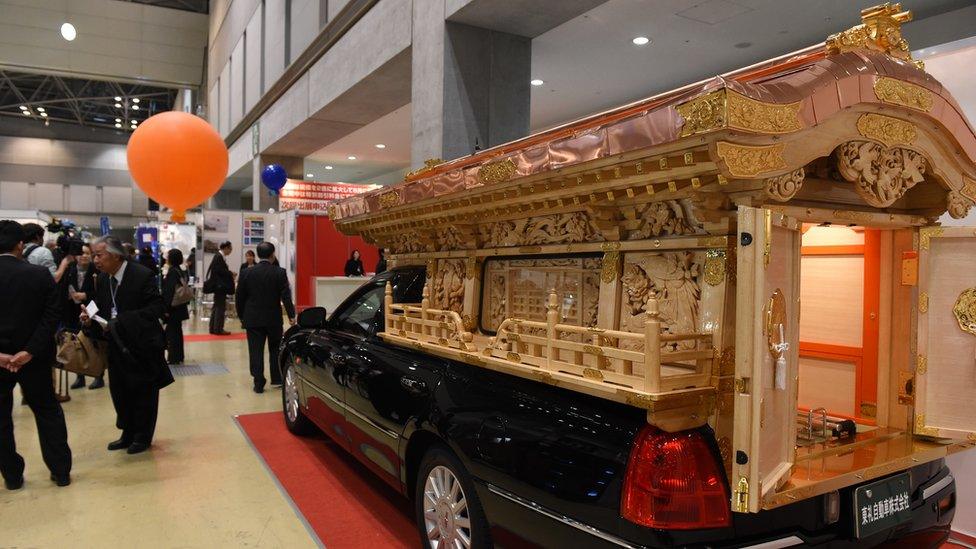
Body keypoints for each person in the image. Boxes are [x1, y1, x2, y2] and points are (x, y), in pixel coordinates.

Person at [82, 236, 174, 455]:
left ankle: (142, 436)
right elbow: (103, 308)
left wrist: (121, 321)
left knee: (143, 391)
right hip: (115, 345)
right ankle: (127, 432)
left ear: (115, 255)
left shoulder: (142, 275)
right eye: (94, 255)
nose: (96, 260)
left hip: (141, 344)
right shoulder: (104, 279)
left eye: (99, 255)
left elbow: (157, 308)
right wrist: (91, 318)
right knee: (119, 391)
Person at [0, 220, 72, 489]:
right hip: (36, 358)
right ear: (21, 245)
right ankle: (60, 470)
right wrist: (29, 350)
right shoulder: (39, 275)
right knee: (47, 411)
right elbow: (52, 316)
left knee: (1, 419)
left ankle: (12, 475)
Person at [235, 242, 295, 393]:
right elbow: (286, 296)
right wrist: (291, 315)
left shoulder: (246, 273)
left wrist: (242, 316)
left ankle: (258, 382)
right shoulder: (279, 272)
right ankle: (276, 378)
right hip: (273, 318)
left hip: (252, 318)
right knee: (275, 348)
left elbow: (239, 297)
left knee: (255, 350)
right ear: (272, 255)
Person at [66, 244, 104, 390]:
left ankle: (98, 376)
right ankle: (79, 376)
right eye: (81, 253)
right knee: (76, 344)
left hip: (93, 311)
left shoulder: (97, 271)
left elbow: (102, 293)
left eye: (87, 253)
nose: (84, 256)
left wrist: (86, 295)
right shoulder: (70, 271)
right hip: (73, 311)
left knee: (95, 344)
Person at [161, 249, 189, 365]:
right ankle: (178, 356)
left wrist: (165, 309)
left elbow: (169, 292)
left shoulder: (172, 271)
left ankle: (173, 357)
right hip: (180, 306)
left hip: (173, 307)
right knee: (177, 332)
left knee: (172, 333)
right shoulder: (180, 270)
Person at [206, 241, 234, 335]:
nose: (231, 251)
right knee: (220, 308)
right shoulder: (219, 257)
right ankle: (218, 329)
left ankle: (213, 328)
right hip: (220, 287)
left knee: (216, 307)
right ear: (225, 248)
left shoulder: (219, 256)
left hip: (218, 286)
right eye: (230, 248)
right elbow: (220, 271)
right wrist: (230, 273)